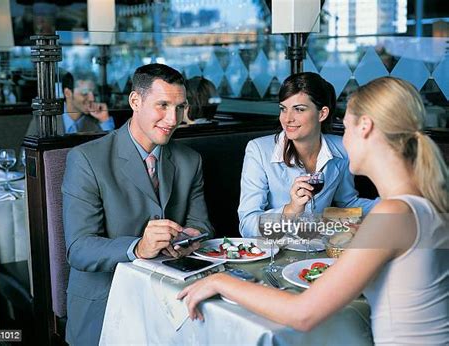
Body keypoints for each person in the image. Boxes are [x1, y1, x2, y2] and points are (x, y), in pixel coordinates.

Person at [178, 77, 449, 344]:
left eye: (346, 125)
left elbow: (303, 314)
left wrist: (221, 282)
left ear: (364, 127)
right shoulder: (426, 202)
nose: (342, 137)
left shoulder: (392, 216)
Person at [62, 63, 214, 345]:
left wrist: (192, 237)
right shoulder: (86, 159)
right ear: (135, 101)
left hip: (173, 302)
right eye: (163, 105)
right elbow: (79, 248)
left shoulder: (190, 160)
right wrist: (138, 247)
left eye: (180, 107)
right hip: (106, 305)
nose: (173, 118)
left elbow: (200, 224)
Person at [239, 72, 377, 237]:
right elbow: (247, 225)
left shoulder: (342, 148)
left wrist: (398, 201)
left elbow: (347, 204)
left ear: (322, 114)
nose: (287, 118)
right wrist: (291, 210)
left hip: (320, 248)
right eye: (283, 109)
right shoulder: (259, 150)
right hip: (276, 252)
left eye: (299, 109)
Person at [26, 71, 115, 135]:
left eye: (93, 93)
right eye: (84, 93)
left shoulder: (96, 122)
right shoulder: (44, 120)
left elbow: (113, 152)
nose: (92, 98)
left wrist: (105, 120)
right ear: (67, 93)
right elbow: (26, 157)